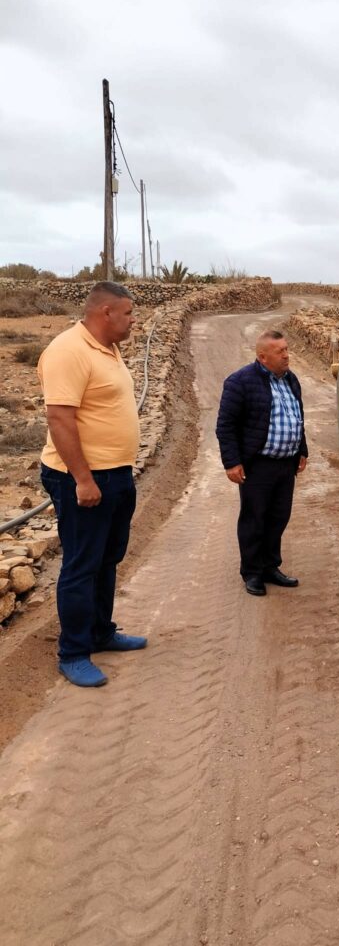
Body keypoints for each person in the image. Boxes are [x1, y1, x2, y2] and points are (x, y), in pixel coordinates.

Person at [38, 281, 147, 688]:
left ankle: (101, 632)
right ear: (105, 313)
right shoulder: (69, 350)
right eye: (129, 313)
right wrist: (83, 479)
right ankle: (73, 652)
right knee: (82, 565)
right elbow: (60, 419)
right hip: (80, 478)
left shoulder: (108, 349)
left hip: (115, 474)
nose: (133, 320)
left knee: (107, 558)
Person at [216, 329, 308, 596]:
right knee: (254, 519)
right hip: (258, 465)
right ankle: (252, 572)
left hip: (285, 464)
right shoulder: (240, 382)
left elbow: (297, 418)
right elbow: (225, 426)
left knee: (279, 517)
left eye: (287, 349)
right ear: (263, 356)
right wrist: (232, 462)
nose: (287, 355)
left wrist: (302, 450)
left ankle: (270, 567)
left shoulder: (291, 380)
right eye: (280, 352)